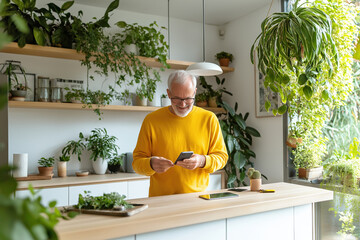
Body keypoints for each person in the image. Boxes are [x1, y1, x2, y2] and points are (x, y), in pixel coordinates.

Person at [132, 70, 228, 197]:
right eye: (177, 99)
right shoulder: (152, 120)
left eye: (188, 98)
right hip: (160, 201)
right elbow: (136, 163)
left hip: (198, 199)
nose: (183, 104)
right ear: (168, 93)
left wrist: (202, 161)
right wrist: (151, 164)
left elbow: (222, 157)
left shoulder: (209, 119)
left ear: (194, 92)